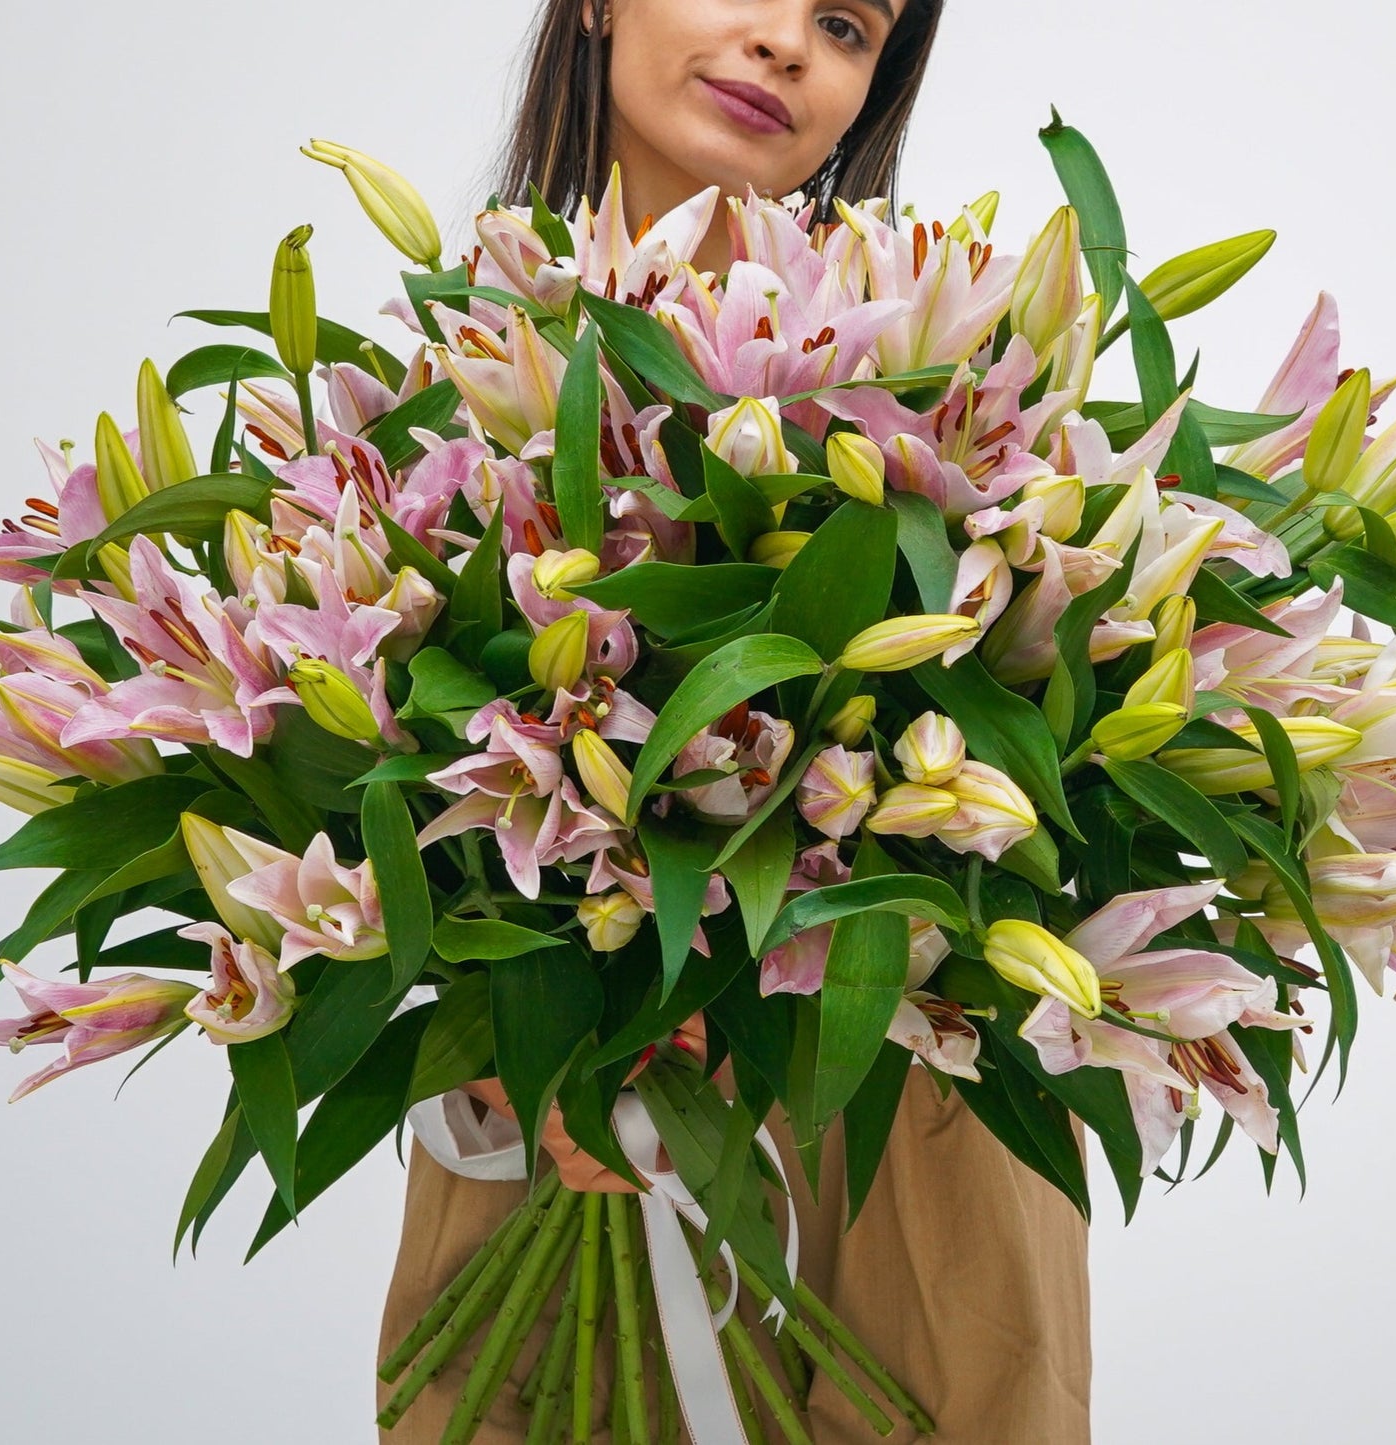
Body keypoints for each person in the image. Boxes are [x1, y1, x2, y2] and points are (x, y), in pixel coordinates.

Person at [377, 2, 1093, 1439]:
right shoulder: (444, 373)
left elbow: (1040, 751)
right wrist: (557, 1044)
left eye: (844, 22)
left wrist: (717, 1006)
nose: (782, 43)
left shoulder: (950, 365)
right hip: (541, 1130)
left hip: (897, 1113)